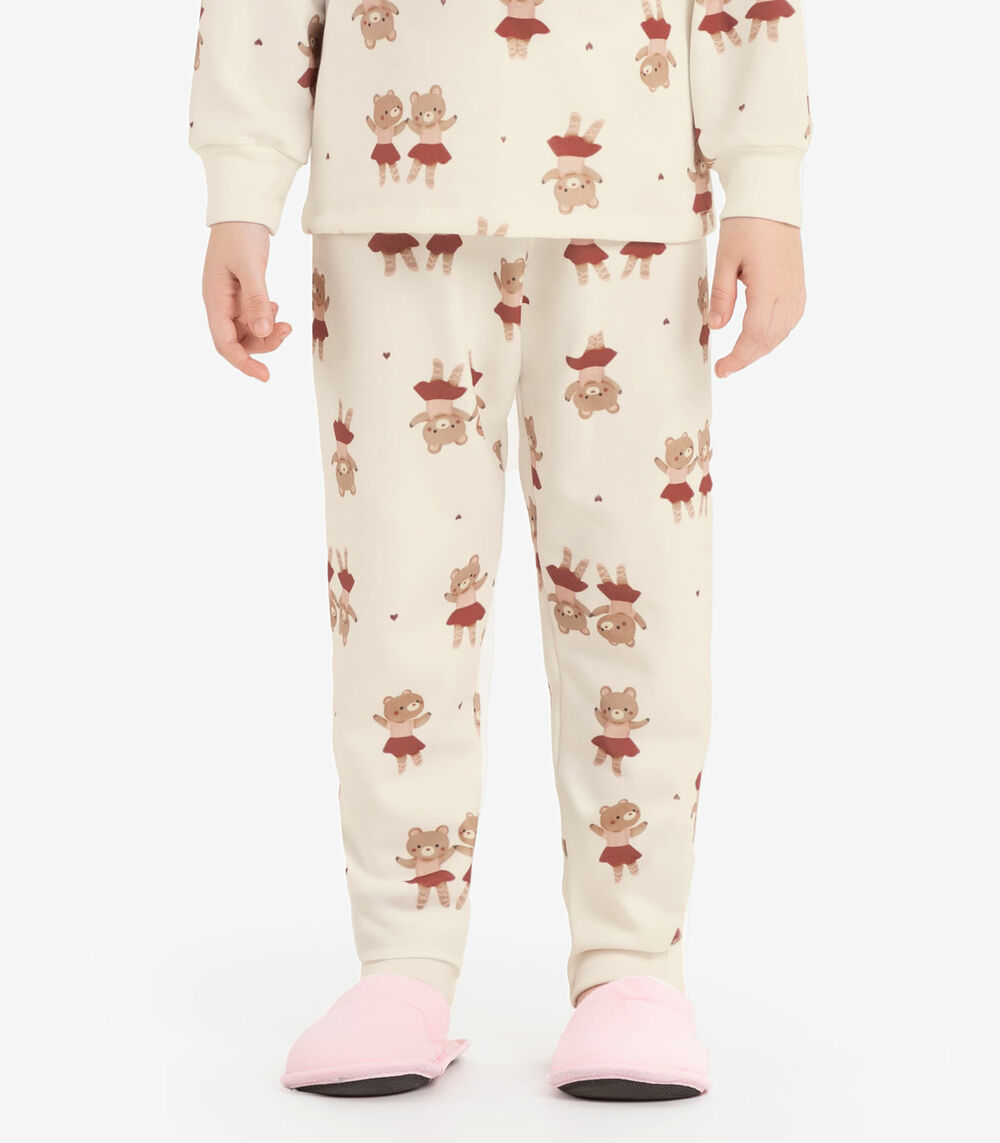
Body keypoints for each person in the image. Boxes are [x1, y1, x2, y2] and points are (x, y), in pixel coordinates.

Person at [190, 0, 809, 1102]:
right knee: (395, 597)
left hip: (635, 204)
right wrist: (241, 190)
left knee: (641, 596)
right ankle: (402, 962)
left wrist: (764, 182)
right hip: (386, 202)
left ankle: (633, 964)